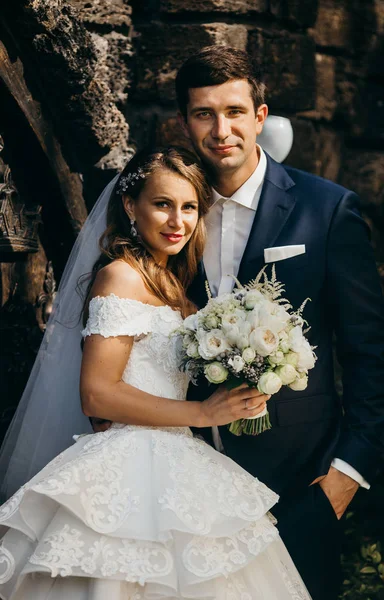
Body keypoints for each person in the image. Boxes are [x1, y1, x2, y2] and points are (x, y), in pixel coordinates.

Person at [0, 147, 311, 599]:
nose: (177, 221)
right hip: (127, 465)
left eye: (189, 208)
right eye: (162, 204)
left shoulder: (176, 290)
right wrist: (202, 412)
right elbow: (97, 395)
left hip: (179, 457)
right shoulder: (121, 278)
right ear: (131, 206)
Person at [173, 46, 384, 600]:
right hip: (181, 481)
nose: (222, 130)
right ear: (184, 122)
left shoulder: (327, 210)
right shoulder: (170, 212)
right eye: (204, 114)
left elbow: (370, 353)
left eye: (235, 112)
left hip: (298, 487)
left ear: (260, 117)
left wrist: (346, 475)